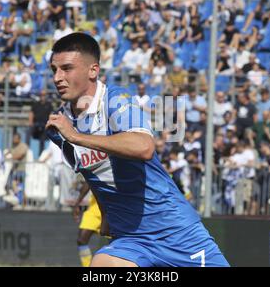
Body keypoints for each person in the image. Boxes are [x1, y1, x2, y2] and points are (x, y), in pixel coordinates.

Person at [46, 32, 229, 267]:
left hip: (174, 232)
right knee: (100, 266)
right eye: (54, 70)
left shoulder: (116, 100)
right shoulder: (59, 127)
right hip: (130, 239)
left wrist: (78, 136)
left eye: (67, 68)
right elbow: (90, 173)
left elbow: (144, 147)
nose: (58, 77)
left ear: (93, 70)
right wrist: (105, 214)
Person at [73, 182, 102, 267]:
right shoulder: (96, 168)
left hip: (113, 210)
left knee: (113, 243)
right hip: (95, 208)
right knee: (81, 240)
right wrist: (77, 203)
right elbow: (88, 181)